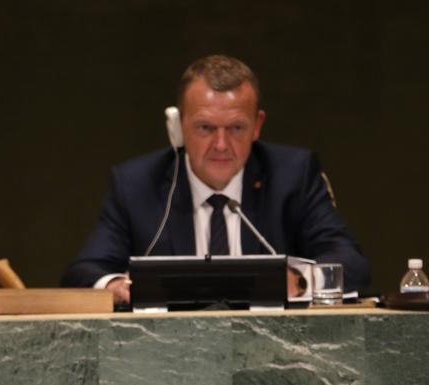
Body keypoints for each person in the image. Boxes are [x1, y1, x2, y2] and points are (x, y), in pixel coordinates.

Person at [63, 55, 370, 304]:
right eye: (205, 128)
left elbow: (351, 263)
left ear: (257, 125)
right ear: (178, 127)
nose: (221, 145)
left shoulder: (292, 176)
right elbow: (83, 272)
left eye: (236, 128)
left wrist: (301, 281)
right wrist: (115, 286)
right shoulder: (136, 184)